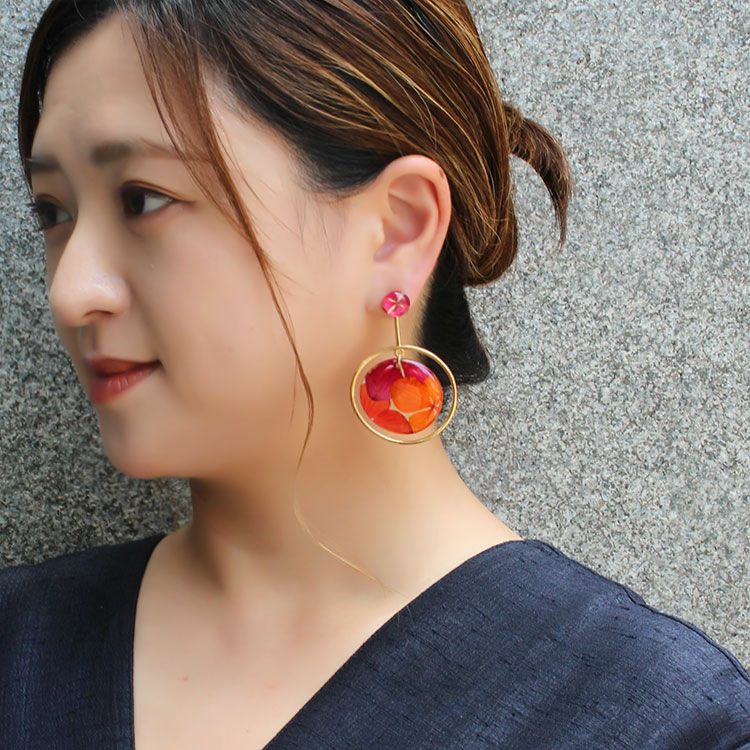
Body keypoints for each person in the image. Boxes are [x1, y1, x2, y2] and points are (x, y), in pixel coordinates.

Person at [2, 1, 748, 748]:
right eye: (54, 212)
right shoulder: (19, 650)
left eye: (143, 199)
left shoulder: (659, 725)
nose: (70, 291)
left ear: (397, 230)